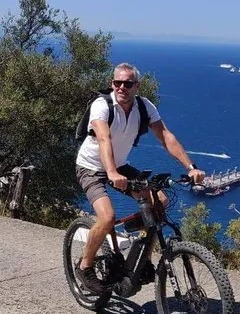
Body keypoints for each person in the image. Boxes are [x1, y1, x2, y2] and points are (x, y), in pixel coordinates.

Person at [74, 62, 205, 294]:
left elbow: (166, 136)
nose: (122, 88)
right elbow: (104, 139)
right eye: (117, 83)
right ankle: (84, 267)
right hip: (91, 167)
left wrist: (191, 167)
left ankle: (142, 259)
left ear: (137, 85)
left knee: (160, 202)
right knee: (107, 217)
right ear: (112, 83)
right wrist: (111, 173)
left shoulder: (144, 107)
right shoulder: (102, 105)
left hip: (120, 167)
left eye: (128, 83)